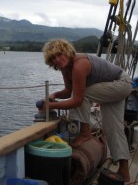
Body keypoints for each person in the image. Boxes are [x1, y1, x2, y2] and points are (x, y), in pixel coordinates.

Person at [40, 38, 132, 182]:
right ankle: (124, 170)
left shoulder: (79, 65)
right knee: (113, 128)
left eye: (59, 54)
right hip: (111, 87)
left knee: (84, 93)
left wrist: (51, 106)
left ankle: (85, 133)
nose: (57, 59)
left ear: (67, 51)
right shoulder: (66, 68)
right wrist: (55, 95)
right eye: (53, 58)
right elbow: (68, 91)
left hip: (121, 84)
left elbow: (77, 99)